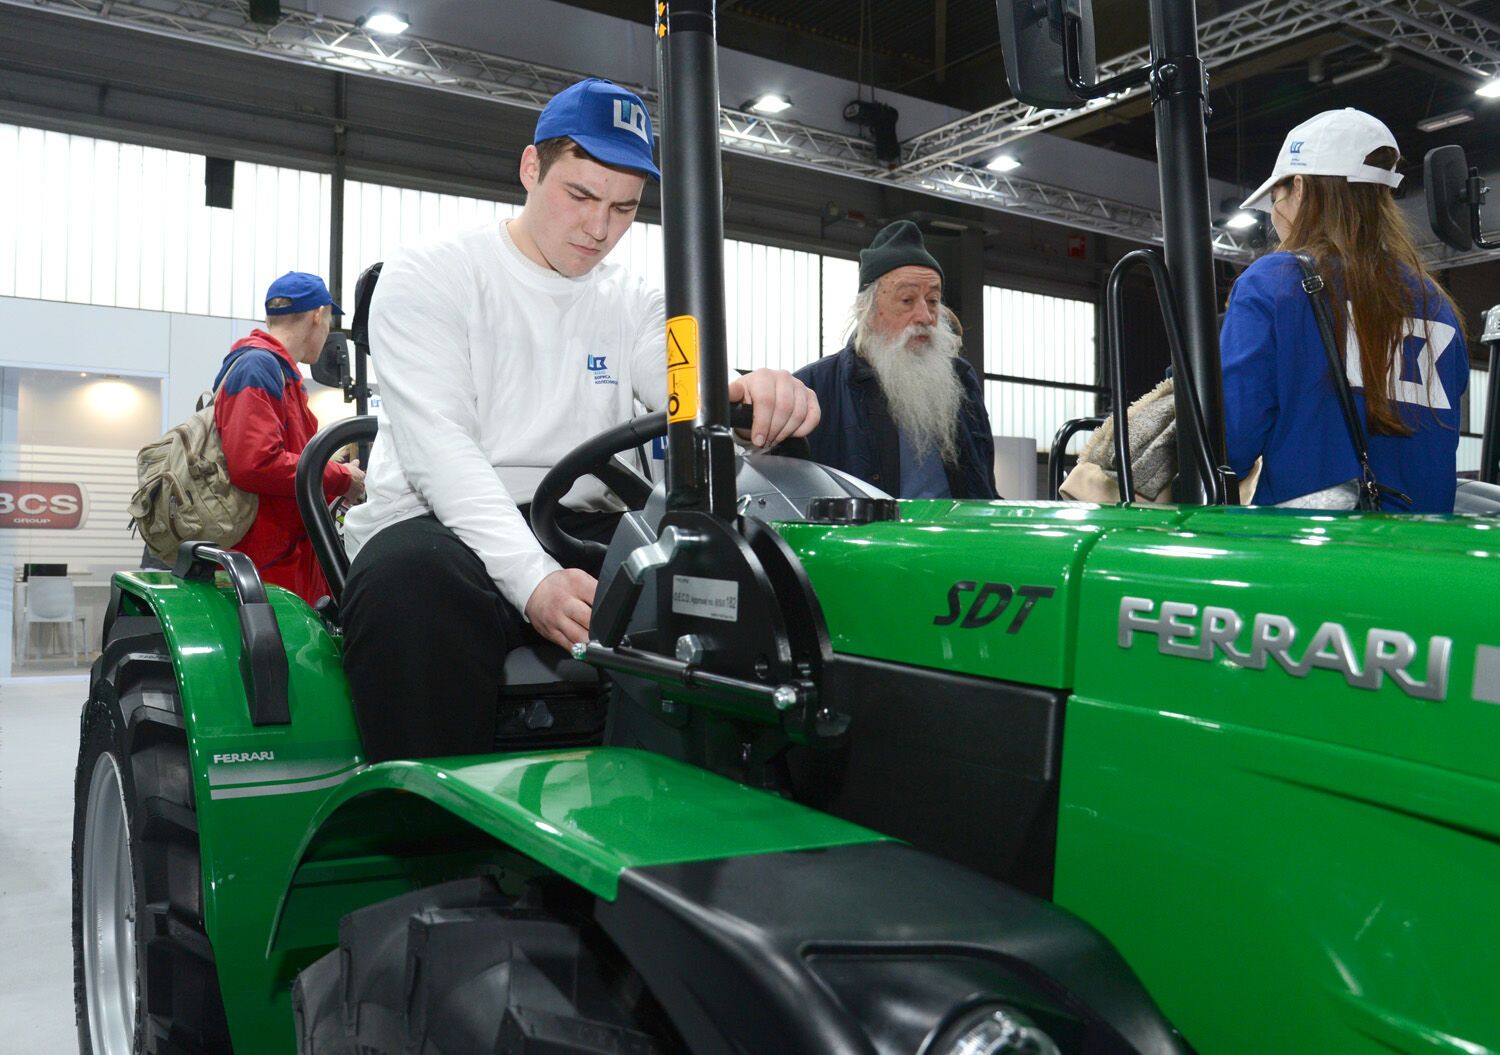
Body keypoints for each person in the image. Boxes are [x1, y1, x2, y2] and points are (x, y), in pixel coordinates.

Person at [339, 78, 819, 761]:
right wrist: (534, 582)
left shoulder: (637, 299)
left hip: (578, 525)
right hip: (442, 527)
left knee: (728, 577)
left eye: (624, 208)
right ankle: (434, 834)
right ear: (531, 168)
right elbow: (442, 452)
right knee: (406, 590)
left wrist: (748, 396)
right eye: (582, 196)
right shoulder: (431, 276)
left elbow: (685, 386)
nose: (601, 229)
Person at [1223, 108, 1468, 511]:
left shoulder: (1274, 283)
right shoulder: (1435, 303)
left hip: (1310, 549)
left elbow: (1231, 438)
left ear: (1299, 187)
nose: (1275, 215)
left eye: (1276, 198)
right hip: (1425, 549)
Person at [794, 220, 998, 499]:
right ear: (868, 309)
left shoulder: (960, 380)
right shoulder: (816, 387)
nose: (925, 317)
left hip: (956, 538)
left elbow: (982, 482)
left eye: (933, 300)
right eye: (907, 300)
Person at [213, 272, 366, 604]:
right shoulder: (257, 367)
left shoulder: (278, 373)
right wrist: (341, 478)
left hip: (281, 556)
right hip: (265, 564)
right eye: (329, 321)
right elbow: (254, 463)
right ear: (316, 315)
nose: (327, 332)